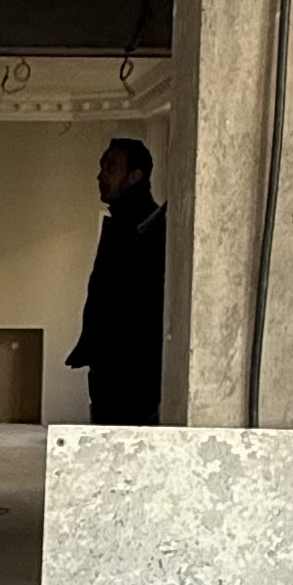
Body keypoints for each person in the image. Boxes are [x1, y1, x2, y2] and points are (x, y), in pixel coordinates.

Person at [67, 135, 167, 424]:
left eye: (110, 167)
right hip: (114, 373)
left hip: (133, 378)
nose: (100, 175)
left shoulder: (149, 229)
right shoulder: (127, 225)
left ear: (135, 176)